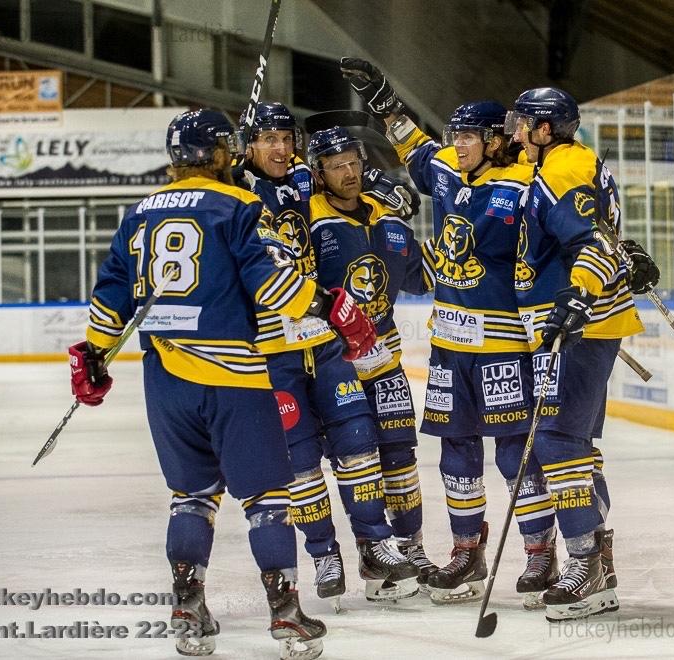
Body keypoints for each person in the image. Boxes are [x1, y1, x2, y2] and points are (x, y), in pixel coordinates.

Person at [68, 109, 376, 659]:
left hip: (164, 379)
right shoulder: (236, 204)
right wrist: (330, 304)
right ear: (219, 154)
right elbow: (272, 286)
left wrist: (93, 355)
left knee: (189, 497)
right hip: (233, 375)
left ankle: (187, 608)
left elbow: (113, 290)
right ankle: (285, 617)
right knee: (267, 499)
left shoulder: (138, 212)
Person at [341, 58, 559, 608]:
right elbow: (411, 142)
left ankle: (540, 551)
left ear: (494, 139)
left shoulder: (526, 183)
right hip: (450, 347)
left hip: (504, 347)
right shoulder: (444, 169)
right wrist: (381, 97)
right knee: (455, 453)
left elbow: (567, 232)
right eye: (455, 135)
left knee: (514, 454)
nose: (457, 144)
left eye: (467, 136)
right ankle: (468, 551)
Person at [233, 102, 420, 607]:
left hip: (324, 337)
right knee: (300, 462)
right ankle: (323, 552)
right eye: (266, 139)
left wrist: (384, 182)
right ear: (247, 145)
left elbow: (343, 165)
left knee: (359, 444)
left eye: (284, 138)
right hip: (272, 349)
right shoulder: (229, 191)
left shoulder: (302, 178)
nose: (279, 147)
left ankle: (376, 544)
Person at [506, 87, 652, 622]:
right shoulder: (569, 162)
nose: (515, 132)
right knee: (575, 441)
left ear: (546, 130)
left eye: (524, 124)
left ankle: (585, 561)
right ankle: (598, 559)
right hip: (583, 322)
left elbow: (592, 243)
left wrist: (576, 299)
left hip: (581, 326)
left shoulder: (562, 168)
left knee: (558, 437)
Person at [304, 125, 438, 591]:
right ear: (318, 173)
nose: (348, 173)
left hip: (385, 361)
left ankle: (411, 547)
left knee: (400, 458)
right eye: (336, 165)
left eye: (354, 162)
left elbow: (425, 278)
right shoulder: (308, 219)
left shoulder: (389, 218)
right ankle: (369, 551)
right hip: (332, 362)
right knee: (354, 460)